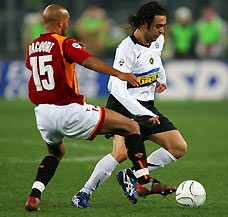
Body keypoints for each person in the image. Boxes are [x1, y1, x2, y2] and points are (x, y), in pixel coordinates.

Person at [24, 4, 172, 211]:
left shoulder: (33, 46)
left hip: (43, 115)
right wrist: (117, 73)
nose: (69, 24)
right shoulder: (65, 43)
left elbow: (39, 66)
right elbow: (88, 61)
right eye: (67, 21)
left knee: (55, 153)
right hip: (68, 109)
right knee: (130, 126)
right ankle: (143, 180)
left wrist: (72, 50)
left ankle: (34, 196)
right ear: (60, 23)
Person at [72, 1, 187, 208]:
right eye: (158, 26)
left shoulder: (157, 40)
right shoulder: (126, 49)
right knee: (121, 153)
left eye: (164, 25)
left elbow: (157, 59)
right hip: (124, 107)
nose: (162, 31)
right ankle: (82, 194)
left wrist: (162, 78)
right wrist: (142, 113)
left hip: (146, 105)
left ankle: (131, 174)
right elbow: (116, 88)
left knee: (178, 147)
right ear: (144, 24)